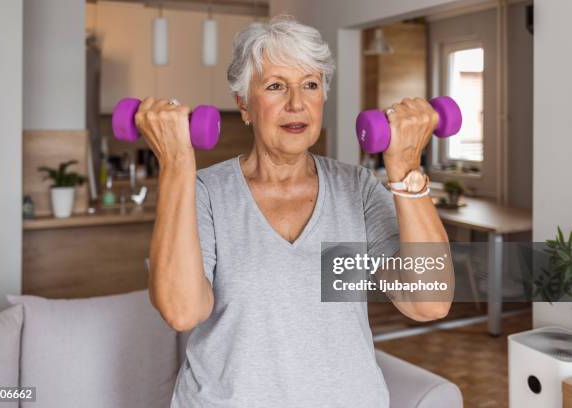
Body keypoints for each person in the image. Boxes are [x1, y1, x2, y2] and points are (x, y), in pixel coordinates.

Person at [137, 15, 453, 408]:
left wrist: (406, 168)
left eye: (310, 85)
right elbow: (183, 311)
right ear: (243, 104)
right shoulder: (205, 191)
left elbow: (429, 302)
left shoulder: (357, 188)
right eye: (275, 86)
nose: (297, 103)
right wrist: (176, 165)